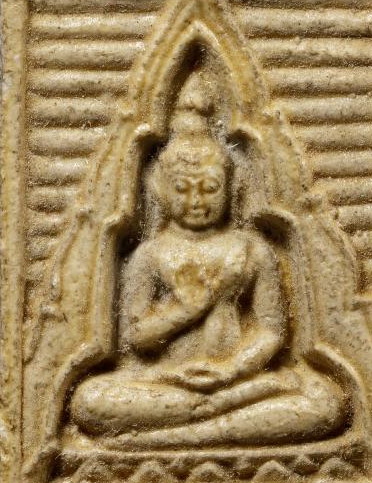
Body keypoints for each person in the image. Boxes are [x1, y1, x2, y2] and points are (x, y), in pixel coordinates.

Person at [69, 72, 347, 447]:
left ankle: (175, 435)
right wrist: (188, 309)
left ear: (232, 188)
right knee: (89, 401)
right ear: (161, 192)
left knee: (325, 402)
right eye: (182, 189)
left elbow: (271, 331)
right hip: (167, 382)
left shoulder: (251, 249)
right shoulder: (150, 255)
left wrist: (232, 370)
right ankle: (216, 426)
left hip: (239, 383)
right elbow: (138, 338)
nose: (196, 201)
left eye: (210, 188)